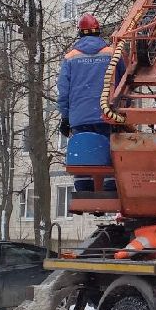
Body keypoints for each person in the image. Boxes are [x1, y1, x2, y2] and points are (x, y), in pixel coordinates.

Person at [58, 13, 118, 191]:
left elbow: (63, 91)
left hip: (80, 117)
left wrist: (65, 117)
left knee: (83, 150)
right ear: (98, 32)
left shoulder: (70, 58)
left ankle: (84, 188)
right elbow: (122, 81)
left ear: (80, 34)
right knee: (108, 150)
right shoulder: (111, 54)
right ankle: (110, 185)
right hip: (105, 114)